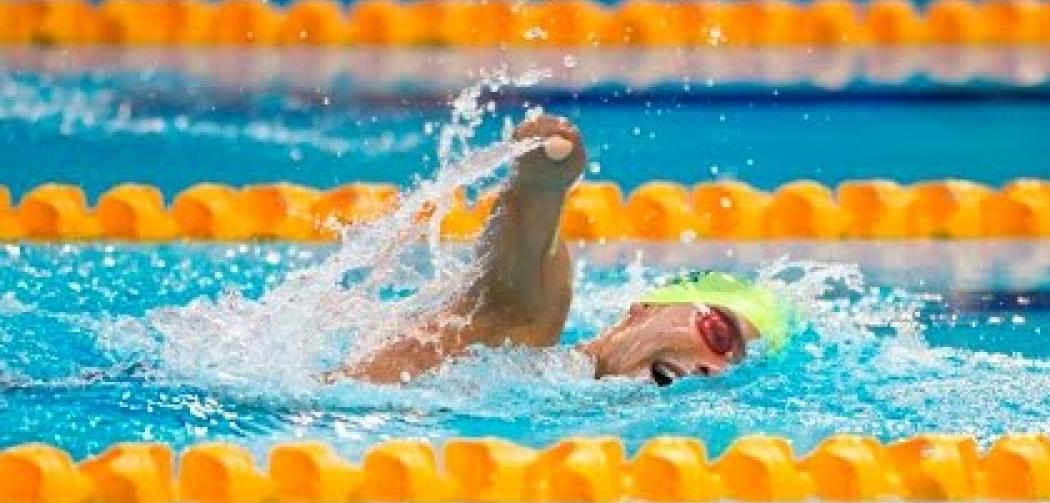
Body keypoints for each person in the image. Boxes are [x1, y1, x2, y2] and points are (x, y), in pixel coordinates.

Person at [337, 115, 792, 387]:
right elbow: (518, 290)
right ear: (647, 307)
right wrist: (543, 184)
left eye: (733, 369)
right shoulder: (526, 338)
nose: (715, 371)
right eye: (719, 334)